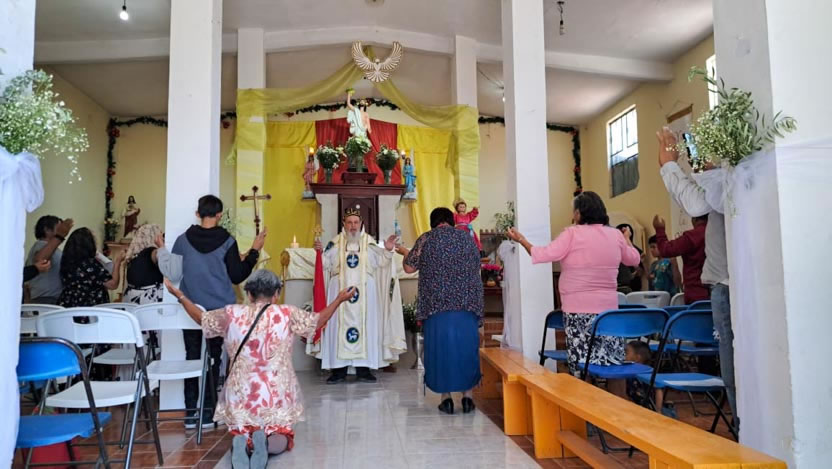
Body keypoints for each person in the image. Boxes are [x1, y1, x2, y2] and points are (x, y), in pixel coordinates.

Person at [165, 271, 356, 469]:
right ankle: (264, 443)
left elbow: (201, 318)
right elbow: (317, 321)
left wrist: (179, 295)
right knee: (282, 435)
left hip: (240, 395)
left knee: (243, 431)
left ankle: (243, 442)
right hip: (275, 394)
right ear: (276, 294)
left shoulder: (231, 313)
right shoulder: (286, 314)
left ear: (249, 294)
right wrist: (339, 299)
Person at [506, 191, 640, 396]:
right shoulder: (615, 235)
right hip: (608, 313)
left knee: (582, 365)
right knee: (614, 365)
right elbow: (634, 259)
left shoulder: (572, 234)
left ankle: (584, 411)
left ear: (578, 213)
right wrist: (626, 239)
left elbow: (543, 254)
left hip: (578, 312)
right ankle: (618, 410)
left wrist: (522, 240)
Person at [656, 127, 737, 425]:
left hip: (709, 290)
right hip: (718, 288)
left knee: (726, 356)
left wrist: (669, 163)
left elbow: (664, 249)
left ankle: (738, 419)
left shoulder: (695, 232)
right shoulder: (740, 181)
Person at [172, 195, 267, 429]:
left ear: (198, 214)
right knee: (213, 359)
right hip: (218, 309)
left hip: (190, 307)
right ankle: (207, 414)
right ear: (219, 215)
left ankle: (190, 414)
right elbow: (237, 275)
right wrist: (254, 251)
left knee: (192, 356)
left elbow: (173, 273)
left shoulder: (182, 241)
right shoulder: (227, 241)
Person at [399, 207, 483, 414]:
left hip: (437, 306)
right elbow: (477, 265)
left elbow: (409, 267)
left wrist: (404, 252)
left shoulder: (427, 239)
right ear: (451, 221)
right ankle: (468, 397)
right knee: (466, 349)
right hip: (466, 305)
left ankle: (446, 399)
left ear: (433, 222)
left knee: (441, 350)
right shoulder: (467, 239)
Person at [310, 208, 405, 384]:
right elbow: (324, 264)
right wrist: (319, 252)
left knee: (366, 327)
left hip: (365, 295)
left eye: (356, 222)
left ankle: (364, 369)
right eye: (349, 222)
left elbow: (382, 262)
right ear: (344, 224)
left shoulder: (369, 243)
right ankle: (338, 370)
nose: (353, 226)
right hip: (339, 294)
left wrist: (388, 250)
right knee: (337, 327)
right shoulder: (335, 243)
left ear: (361, 224)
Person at [58, 227, 125, 307]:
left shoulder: (66, 261)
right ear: (88, 243)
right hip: (89, 307)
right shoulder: (90, 264)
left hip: (69, 304)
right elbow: (113, 284)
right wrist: (118, 262)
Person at [653, 214, 709, 304]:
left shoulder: (691, 237)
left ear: (694, 219)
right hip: (718, 290)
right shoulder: (720, 233)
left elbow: (665, 250)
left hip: (695, 293)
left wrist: (659, 229)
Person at [123, 224, 182, 305]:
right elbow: (170, 270)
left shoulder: (132, 257)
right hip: (148, 304)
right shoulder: (151, 252)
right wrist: (161, 246)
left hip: (131, 302)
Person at [25, 216, 74, 304]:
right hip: (46, 299)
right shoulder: (40, 245)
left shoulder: (53, 248)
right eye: (59, 228)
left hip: (52, 299)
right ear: (47, 230)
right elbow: (41, 260)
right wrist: (60, 236)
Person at [616, 223, 645, 292]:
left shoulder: (637, 251)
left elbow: (640, 272)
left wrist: (633, 273)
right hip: (617, 287)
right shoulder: (614, 250)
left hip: (633, 287)